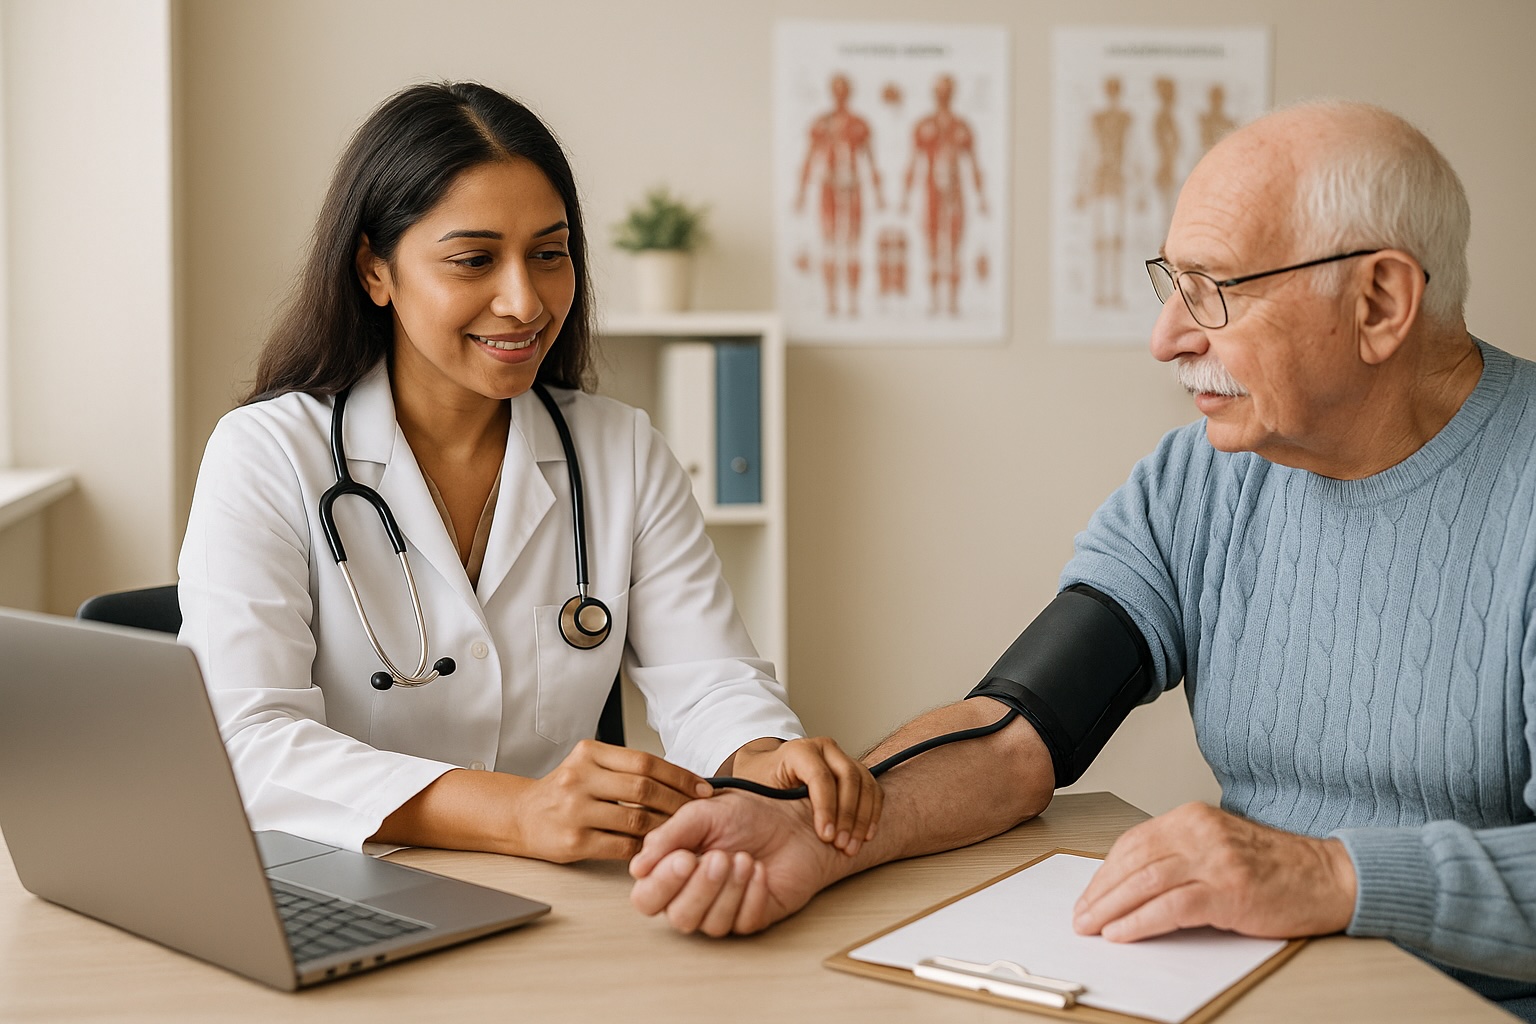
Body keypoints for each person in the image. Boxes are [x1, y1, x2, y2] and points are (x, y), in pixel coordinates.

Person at [629, 101, 1536, 1018]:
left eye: (1213, 289)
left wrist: (1330, 876)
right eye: (1171, 283)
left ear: (1379, 302)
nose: (1168, 338)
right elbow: (1014, 734)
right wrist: (813, 834)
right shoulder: (1198, 480)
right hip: (1255, 989)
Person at [178, 82, 879, 865]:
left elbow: (709, 678)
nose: (524, 301)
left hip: (557, 892)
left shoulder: (621, 452)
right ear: (375, 270)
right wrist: (516, 813)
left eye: (549, 255)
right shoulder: (267, 453)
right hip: (341, 878)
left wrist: (761, 753)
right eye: (474, 260)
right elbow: (244, 743)